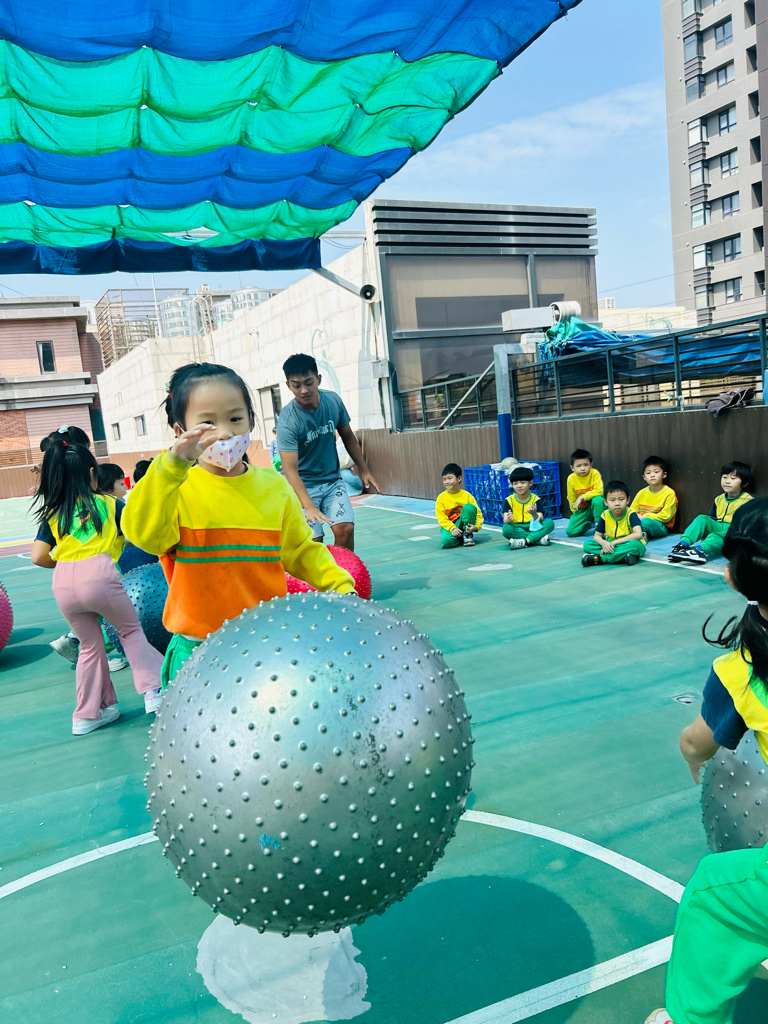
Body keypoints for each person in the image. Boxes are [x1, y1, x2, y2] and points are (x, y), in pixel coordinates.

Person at [122, 361, 356, 688]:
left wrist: (340, 586)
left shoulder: (274, 487)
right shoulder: (175, 490)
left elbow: (301, 551)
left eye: (235, 418)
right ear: (180, 431)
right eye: (207, 423)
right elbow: (145, 536)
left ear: (251, 420)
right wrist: (171, 465)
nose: (225, 433)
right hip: (199, 650)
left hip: (266, 644)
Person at [646, 498, 768, 1024]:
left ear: (732, 577)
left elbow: (696, 743)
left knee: (712, 894)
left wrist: (694, 762)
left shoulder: (740, 672)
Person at [30, 435, 165, 734]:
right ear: (93, 474)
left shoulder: (54, 511)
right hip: (100, 573)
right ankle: (154, 691)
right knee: (130, 632)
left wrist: (66, 565)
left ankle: (87, 715)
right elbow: (139, 533)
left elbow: (38, 556)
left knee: (90, 646)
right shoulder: (109, 503)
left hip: (63, 581)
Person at [276, 353, 380, 550]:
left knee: (345, 529)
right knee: (313, 541)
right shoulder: (288, 421)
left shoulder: (332, 401)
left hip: (332, 481)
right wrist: (308, 506)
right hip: (303, 485)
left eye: (309, 383)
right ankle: (315, 570)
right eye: (296, 385)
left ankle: (341, 569)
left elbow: (348, 437)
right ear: (289, 385)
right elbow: (289, 470)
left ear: (318, 379)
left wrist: (365, 470)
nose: (304, 390)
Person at [669, 461, 754, 565]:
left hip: (733, 535)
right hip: (718, 529)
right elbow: (712, 520)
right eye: (724, 477)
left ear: (744, 483)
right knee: (702, 518)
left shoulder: (747, 501)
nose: (727, 481)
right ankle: (682, 546)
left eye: (733, 478)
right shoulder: (719, 499)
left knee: (727, 530)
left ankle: (700, 550)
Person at [581, 480, 646, 567]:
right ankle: (623, 556)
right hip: (610, 544)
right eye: (612, 500)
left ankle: (602, 558)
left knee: (636, 546)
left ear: (628, 500)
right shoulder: (605, 515)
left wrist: (615, 542)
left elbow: (638, 534)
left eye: (621, 499)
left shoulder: (631, 514)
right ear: (605, 502)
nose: (617, 503)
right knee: (587, 545)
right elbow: (597, 536)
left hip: (628, 543)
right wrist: (604, 543)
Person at [502, 466, 555, 550]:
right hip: (518, 528)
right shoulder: (509, 500)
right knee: (506, 529)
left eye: (523, 483)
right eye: (515, 483)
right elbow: (505, 520)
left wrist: (534, 514)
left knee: (549, 523)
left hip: (534, 527)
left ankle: (525, 541)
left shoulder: (535, 499)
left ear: (531, 483)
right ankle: (536, 539)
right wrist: (508, 519)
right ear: (512, 484)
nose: (519, 486)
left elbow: (540, 518)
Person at [630, 456, 678, 541]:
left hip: (660, 526)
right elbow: (631, 510)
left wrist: (643, 517)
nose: (652, 475)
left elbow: (666, 516)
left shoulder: (669, 493)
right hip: (640, 521)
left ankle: (635, 534)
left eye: (656, 472)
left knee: (646, 522)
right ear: (644, 477)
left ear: (664, 475)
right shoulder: (641, 493)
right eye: (648, 473)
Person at [436, 463, 483, 548]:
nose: (447, 482)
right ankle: (460, 537)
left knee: (469, 507)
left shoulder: (467, 496)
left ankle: (467, 534)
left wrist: (476, 527)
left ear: (459, 478)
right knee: (446, 542)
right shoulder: (441, 498)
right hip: (450, 526)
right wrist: (452, 528)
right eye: (444, 479)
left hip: (464, 524)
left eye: (450, 478)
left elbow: (478, 515)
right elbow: (441, 518)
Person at [566, 448, 605, 537]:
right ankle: (590, 524)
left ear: (591, 465)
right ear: (572, 468)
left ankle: (599, 526)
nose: (583, 468)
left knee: (597, 500)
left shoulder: (594, 473)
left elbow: (599, 491)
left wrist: (582, 497)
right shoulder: (571, 478)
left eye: (586, 465)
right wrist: (575, 511)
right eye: (578, 466)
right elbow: (571, 497)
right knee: (571, 531)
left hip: (597, 507)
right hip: (583, 509)